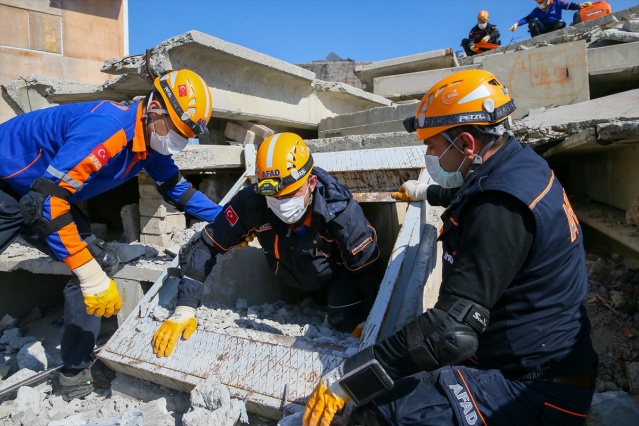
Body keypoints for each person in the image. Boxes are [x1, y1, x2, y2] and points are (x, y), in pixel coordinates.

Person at [302, 69, 598, 426]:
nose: (427, 154)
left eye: (432, 145)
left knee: (381, 414)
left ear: (467, 144)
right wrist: (428, 192)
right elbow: (470, 190)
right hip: (534, 355)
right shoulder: (518, 167)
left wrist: (347, 379)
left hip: (533, 389)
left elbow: (450, 334)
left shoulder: (500, 210)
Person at [0, 68, 222, 401]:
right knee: (90, 273)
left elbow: (176, 188)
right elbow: (48, 200)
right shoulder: (108, 130)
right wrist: (89, 277)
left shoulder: (150, 143)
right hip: (9, 183)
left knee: (97, 263)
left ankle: (75, 373)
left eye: (187, 133)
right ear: (154, 109)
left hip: (43, 193)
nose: (180, 139)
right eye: (176, 129)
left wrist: (228, 222)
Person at [152, 132, 386, 358]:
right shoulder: (252, 204)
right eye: (275, 195)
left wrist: (371, 318)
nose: (283, 203)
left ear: (312, 182)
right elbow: (206, 246)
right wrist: (185, 307)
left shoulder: (341, 212)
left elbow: (368, 268)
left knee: (342, 319)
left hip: (335, 276)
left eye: (291, 193)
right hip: (289, 276)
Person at [510, 0, 593, 37]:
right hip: (543, 28)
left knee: (561, 23)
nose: (540, 4)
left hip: (554, 25)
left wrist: (579, 6)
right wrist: (517, 24)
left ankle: (556, 37)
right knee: (532, 23)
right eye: (539, 2)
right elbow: (527, 18)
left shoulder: (557, 2)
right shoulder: (537, 10)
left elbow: (570, 6)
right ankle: (537, 40)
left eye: (542, 2)